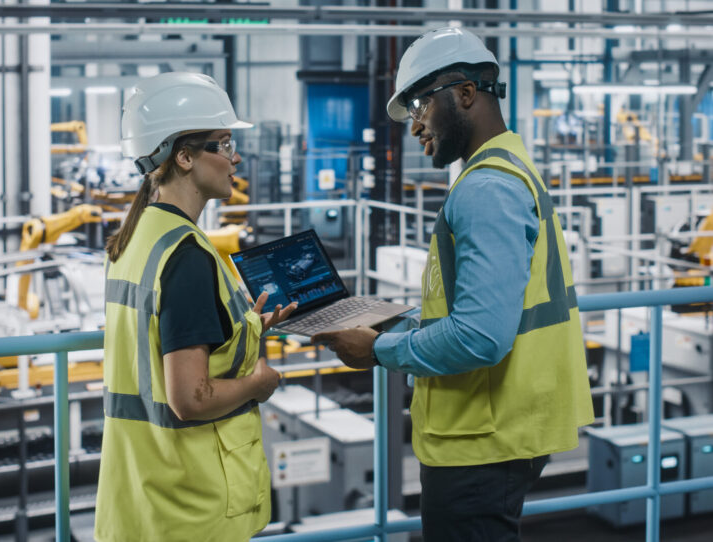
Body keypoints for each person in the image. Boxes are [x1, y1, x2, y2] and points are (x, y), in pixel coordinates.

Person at [312, 27, 595, 541]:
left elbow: (481, 335)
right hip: (503, 427)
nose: (415, 125)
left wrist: (379, 350)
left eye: (421, 104)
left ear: (466, 93)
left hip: (482, 437)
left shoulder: (485, 189)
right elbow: (489, 304)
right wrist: (399, 321)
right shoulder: (510, 168)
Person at [95, 72, 296, 542]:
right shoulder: (186, 255)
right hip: (190, 503)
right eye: (223, 145)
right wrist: (257, 384)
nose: (236, 158)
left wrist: (242, 331)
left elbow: (156, 341)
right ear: (183, 156)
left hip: (139, 495)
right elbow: (190, 399)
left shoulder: (137, 238)